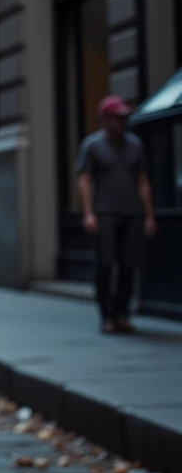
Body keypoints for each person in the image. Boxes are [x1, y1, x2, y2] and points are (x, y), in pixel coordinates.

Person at [76, 95, 157, 334]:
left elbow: (142, 181)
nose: (121, 122)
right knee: (105, 265)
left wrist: (149, 215)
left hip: (131, 211)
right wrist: (88, 213)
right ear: (104, 119)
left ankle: (122, 313)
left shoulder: (135, 145)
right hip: (105, 212)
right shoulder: (92, 145)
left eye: (123, 118)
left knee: (128, 265)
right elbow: (85, 180)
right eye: (116, 118)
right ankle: (107, 315)